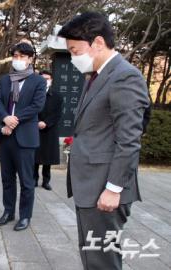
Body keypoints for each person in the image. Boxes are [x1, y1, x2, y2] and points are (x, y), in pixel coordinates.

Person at [58, 12, 149, 270]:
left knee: (102, 262)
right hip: (91, 185)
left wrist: (114, 188)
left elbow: (129, 139)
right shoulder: (97, 76)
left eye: (75, 50)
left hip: (104, 189)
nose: (73, 57)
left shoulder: (124, 76)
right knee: (93, 256)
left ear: (98, 42)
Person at [0, 42, 46, 231]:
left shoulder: (38, 81)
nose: (18, 60)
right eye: (15, 56)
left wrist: (13, 120)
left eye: (22, 56)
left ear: (30, 58)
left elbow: (37, 106)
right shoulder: (5, 79)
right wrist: (5, 118)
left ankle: (25, 216)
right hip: (6, 136)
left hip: (25, 137)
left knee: (26, 180)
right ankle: (8, 212)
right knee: (7, 178)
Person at [34, 70, 63, 190]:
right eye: (42, 78)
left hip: (49, 130)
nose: (45, 81)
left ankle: (46, 181)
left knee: (47, 158)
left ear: (51, 80)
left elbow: (58, 114)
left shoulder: (57, 96)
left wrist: (46, 123)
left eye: (47, 79)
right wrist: (36, 122)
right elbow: (30, 110)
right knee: (34, 158)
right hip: (35, 129)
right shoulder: (33, 94)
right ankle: (33, 179)